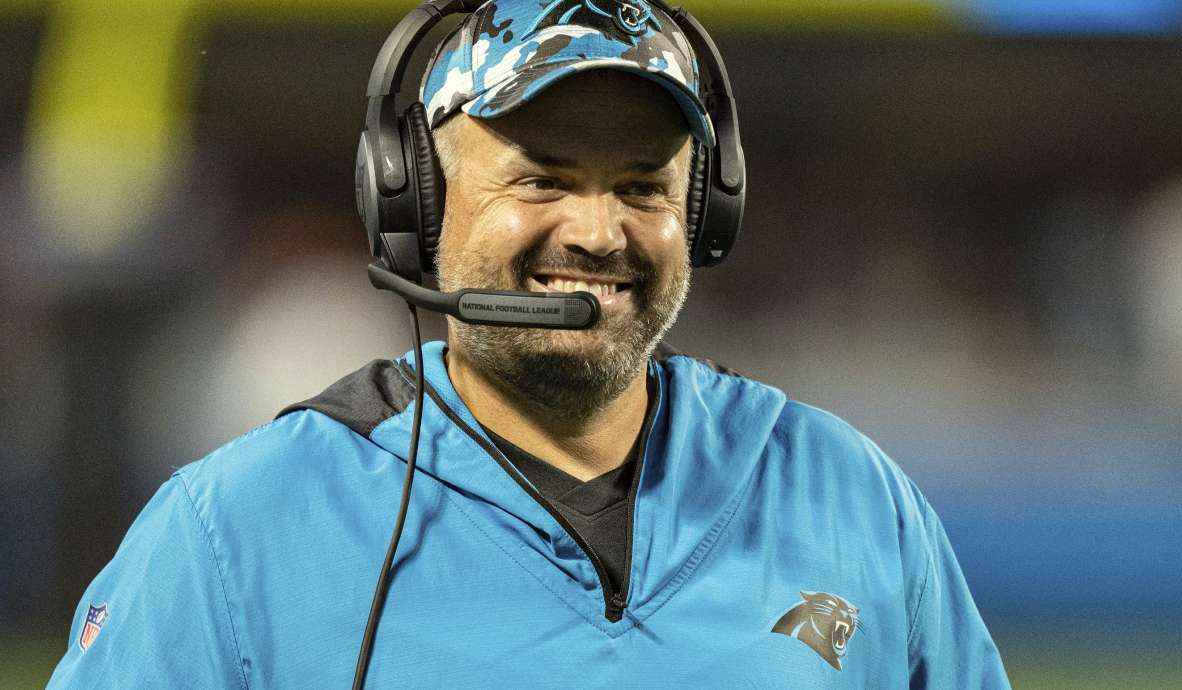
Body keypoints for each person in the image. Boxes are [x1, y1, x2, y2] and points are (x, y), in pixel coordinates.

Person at [49, 1, 1010, 687]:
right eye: (542, 179)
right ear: (414, 203)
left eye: (642, 186)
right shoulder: (239, 531)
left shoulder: (850, 497)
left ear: (704, 214)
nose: (598, 232)